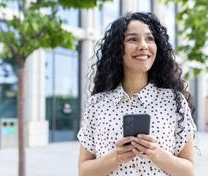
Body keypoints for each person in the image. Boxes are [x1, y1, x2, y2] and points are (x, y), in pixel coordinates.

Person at [77, 12, 197, 176]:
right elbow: (83, 172)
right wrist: (116, 157)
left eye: (149, 39)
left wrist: (156, 154)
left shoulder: (173, 101)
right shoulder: (97, 104)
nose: (143, 45)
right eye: (133, 39)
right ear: (118, 48)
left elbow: (189, 171)